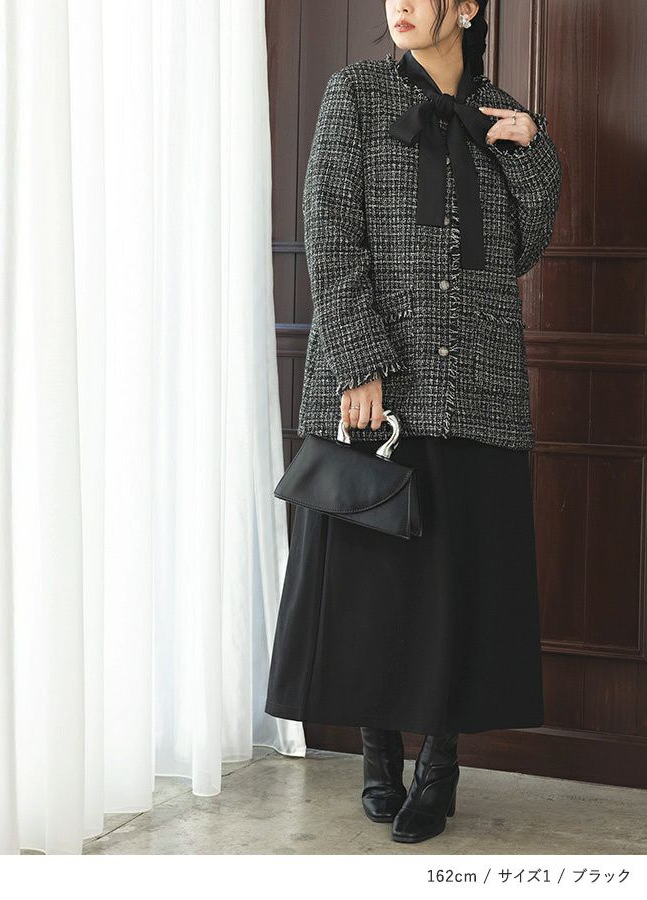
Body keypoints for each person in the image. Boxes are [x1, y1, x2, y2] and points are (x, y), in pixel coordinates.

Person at [264, 0, 563, 844]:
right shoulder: (356, 93)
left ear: (466, 7)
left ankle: (440, 767)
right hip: (379, 386)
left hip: (477, 384)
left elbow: (523, 247)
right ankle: (377, 753)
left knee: (455, 588)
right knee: (374, 587)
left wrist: (533, 155)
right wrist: (358, 358)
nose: (401, 3)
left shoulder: (501, 114)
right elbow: (328, 226)